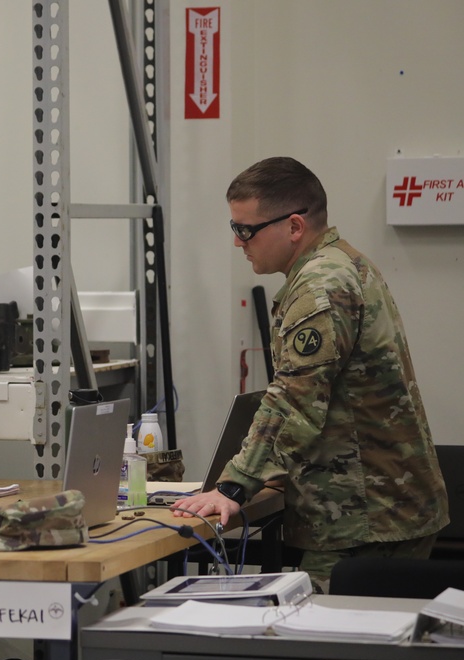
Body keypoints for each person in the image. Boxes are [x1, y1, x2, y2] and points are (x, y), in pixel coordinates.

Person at [171, 156, 449, 592]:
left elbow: (294, 399)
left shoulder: (320, 285)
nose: (239, 242)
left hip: (364, 518)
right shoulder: (342, 263)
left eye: (245, 230)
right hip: (374, 507)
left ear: (294, 226)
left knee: (324, 649)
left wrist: (233, 486)